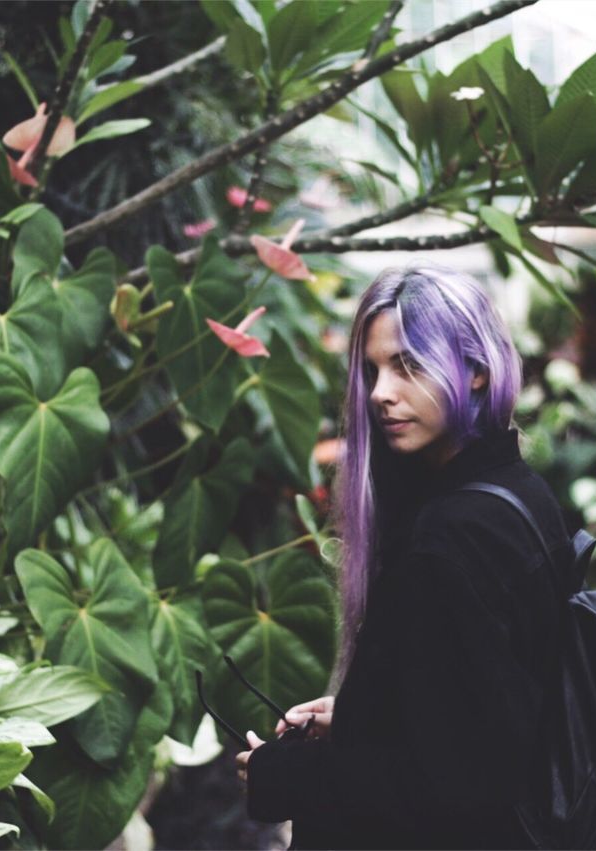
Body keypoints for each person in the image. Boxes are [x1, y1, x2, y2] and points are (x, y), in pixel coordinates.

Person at [236, 265, 574, 849]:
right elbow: (485, 715)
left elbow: (454, 792)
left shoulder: (448, 542)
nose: (379, 393)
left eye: (408, 365)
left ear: (475, 371)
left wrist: (283, 775)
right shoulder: (519, 495)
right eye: (372, 369)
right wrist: (362, 714)